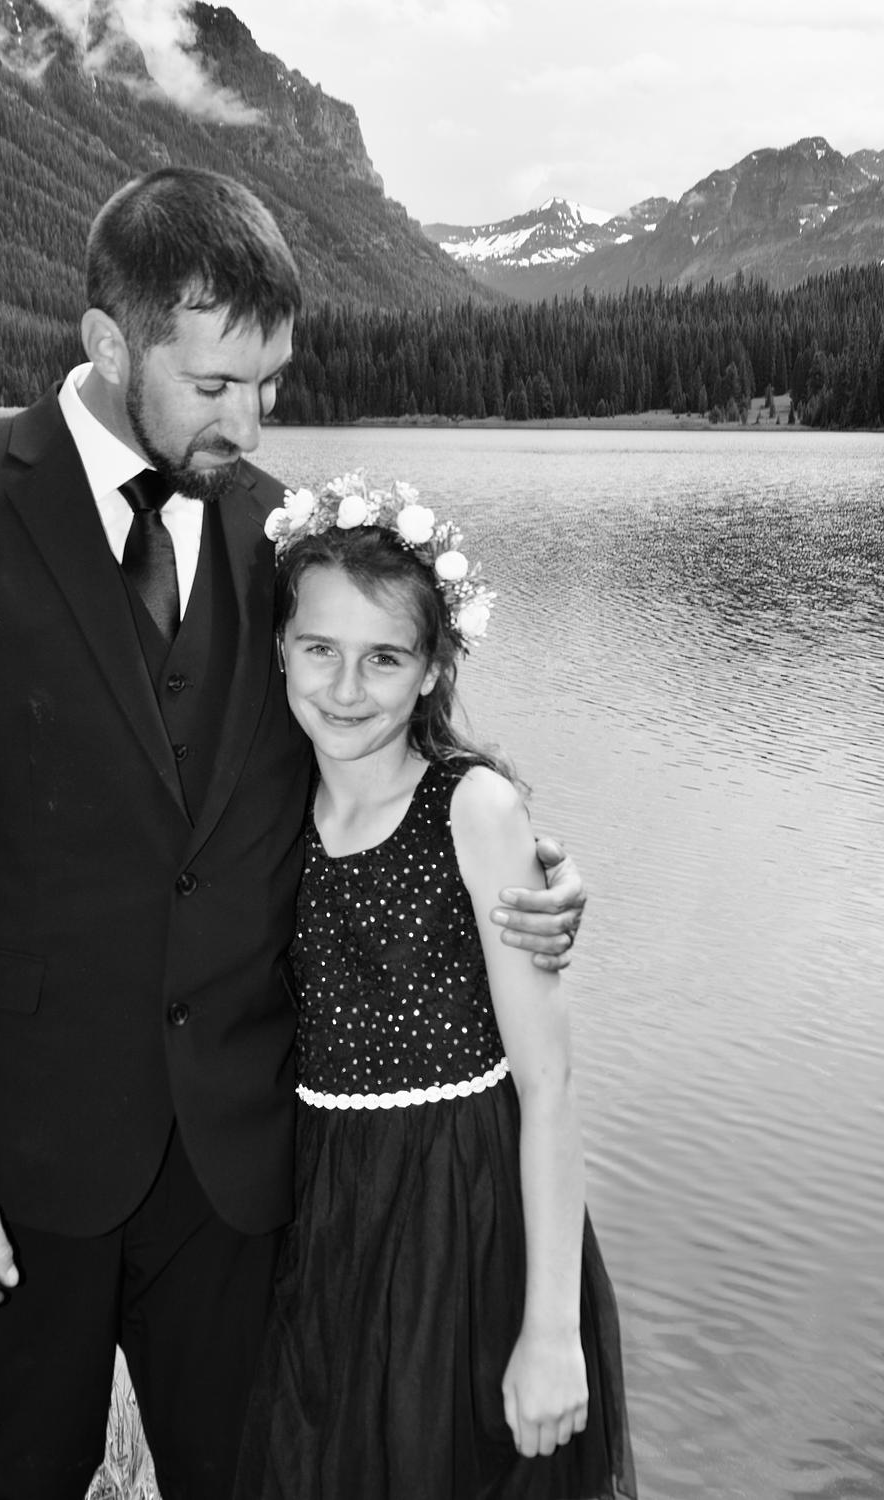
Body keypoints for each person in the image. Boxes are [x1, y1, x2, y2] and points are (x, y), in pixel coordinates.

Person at [0, 167, 585, 1500]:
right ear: (109, 343)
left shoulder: (280, 534)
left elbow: (372, 753)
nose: (250, 422)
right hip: (17, 1172)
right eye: (214, 385)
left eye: (269, 383)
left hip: (244, 1173)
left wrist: (518, 861)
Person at [235, 475, 637, 1499]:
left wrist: (551, 1330)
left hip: (464, 1208)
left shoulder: (471, 809)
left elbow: (549, 1085)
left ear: (431, 671)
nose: (345, 687)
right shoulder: (271, 801)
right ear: (279, 649)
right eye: (318, 649)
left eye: (385, 658)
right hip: (326, 1203)